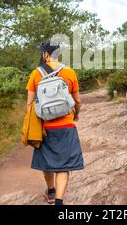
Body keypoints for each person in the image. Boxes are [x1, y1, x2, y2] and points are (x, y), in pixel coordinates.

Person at [26, 40, 83, 205]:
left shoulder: (36, 73)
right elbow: (77, 100)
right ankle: (59, 201)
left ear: (45, 54)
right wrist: (76, 115)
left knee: (47, 161)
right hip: (66, 125)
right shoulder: (70, 72)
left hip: (45, 127)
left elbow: (29, 104)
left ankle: (51, 191)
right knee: (64, 165)